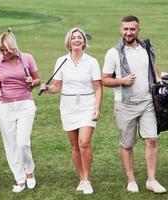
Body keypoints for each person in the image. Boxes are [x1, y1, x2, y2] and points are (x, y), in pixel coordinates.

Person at [102, 15, 167, 194]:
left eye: (132, 29)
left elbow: (152, 69)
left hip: (147, 102)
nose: (128, 32)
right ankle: (131, 180)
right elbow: (105, 80)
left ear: (138, 29)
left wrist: (160, 81)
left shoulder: (146, 48)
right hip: (125, 105)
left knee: (152, 140)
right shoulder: (113, 53)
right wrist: (122, 80)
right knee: (127, 145)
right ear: (120, 29)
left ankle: (151, 180)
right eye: (125, 29)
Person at [40, 27, 103, 195]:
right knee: (75, 145)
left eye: (80, 37)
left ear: (84, 41)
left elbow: (98, 88)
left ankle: (87, 180)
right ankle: (81, 178)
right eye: (73, 37)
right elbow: (57, 87)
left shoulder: (92, 61)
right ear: (68, 41)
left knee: (84, 142)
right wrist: (48, 88)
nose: (77, 40)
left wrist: (97, 108)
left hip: (87, 105)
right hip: (67, 107)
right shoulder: (62, 60)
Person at [0, 29, 40, 193]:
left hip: (25, 104)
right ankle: (19, 179)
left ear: (13, 47)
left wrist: (32, 82)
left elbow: (37, 80)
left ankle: (29, 171)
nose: (3, 53)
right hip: (6, 107)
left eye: (6, 49)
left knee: (22, 143)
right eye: (1, 50)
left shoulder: (27, 58)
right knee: (10, 145)